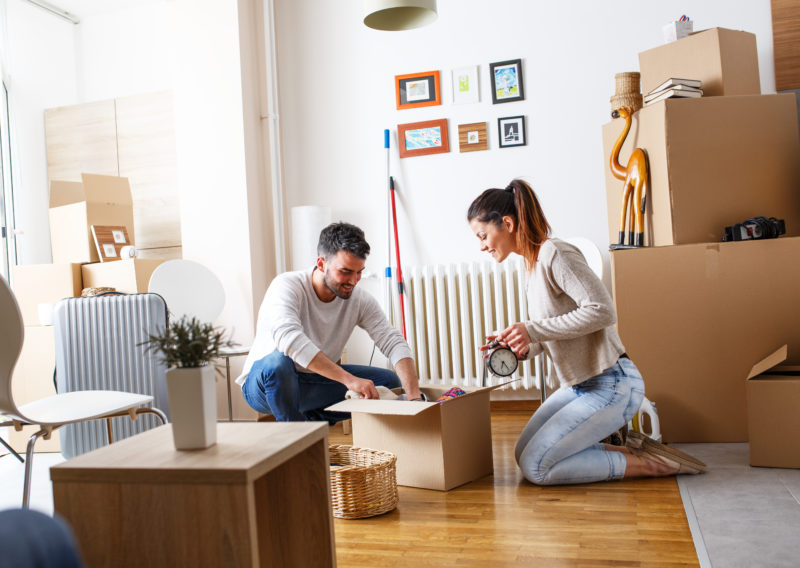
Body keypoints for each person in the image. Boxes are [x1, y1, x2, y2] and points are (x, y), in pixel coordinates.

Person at [467, 179, 706, 485]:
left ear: (508, 224)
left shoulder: (555, 252)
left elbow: (602, 311)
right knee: (522, 452)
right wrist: (522, 345)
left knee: (536, 468)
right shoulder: (531, 267)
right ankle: (633, 451)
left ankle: (651, 465)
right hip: (579, 386)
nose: (482, 246)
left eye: (483, 235)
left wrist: (532, 329)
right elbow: (554, 330)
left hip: (613, 383)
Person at [237, 222, 422, 422]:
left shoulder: (359, 299)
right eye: (345, 271)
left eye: (359, 272)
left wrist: (414, 398)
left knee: (388, 382)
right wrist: (350, 381)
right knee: (278, 363)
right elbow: (290, 341)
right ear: (322, 263)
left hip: (312, 382)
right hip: (266, 384)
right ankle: (300, 439)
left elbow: (392, 341)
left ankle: (314, 417)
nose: (353, 280)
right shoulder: (287, 286)